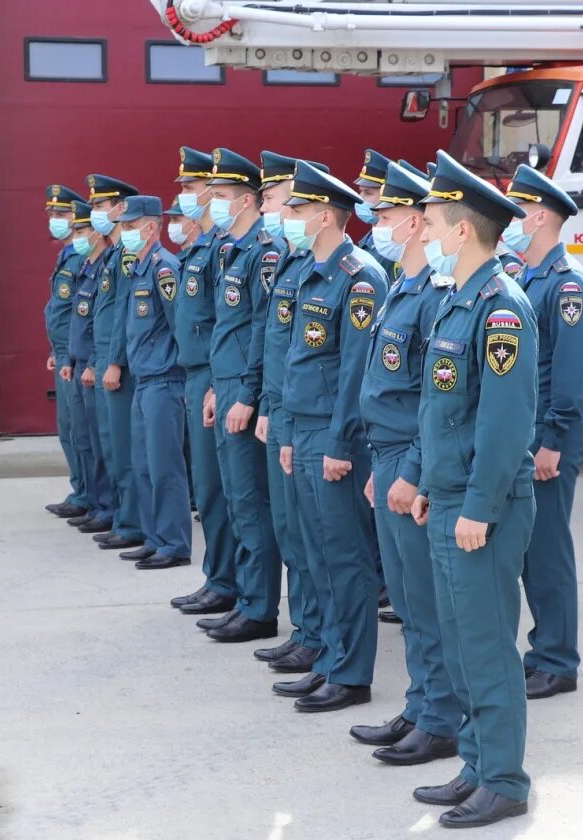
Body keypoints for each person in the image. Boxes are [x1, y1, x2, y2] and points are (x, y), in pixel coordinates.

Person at [410, 150, 535, 828]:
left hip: (483, 505)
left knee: (486, 646)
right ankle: (478, 766)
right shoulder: (457, 302)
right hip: (450, 496)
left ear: (463, 231)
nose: (423, 232)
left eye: (430, 221)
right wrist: (433, 484)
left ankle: (506, 780)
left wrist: (481, 506)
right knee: (461, 643)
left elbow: (504, 421)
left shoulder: (501, 308)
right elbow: (442, 411)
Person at [350, 161, 461, 766]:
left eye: (388, 215)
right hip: (387, 454)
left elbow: (432, 399)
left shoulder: (434, 298)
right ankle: (421, 703)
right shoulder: (402, 285)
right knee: (406, 597)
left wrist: (413, 468)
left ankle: (441, 716)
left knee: (424, 596)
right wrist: (382, 463)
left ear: (418, 222)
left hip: (410, 460)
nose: (377, 223)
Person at [272, 161, 388, 713]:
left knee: (345, 556)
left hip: (336, 433)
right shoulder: (305, 270)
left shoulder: (359, 277)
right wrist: (291, 431)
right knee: (316, 552)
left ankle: (352, 672)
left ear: (323, 215)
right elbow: (298, 360)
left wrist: (341, 443)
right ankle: (328, 658)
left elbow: (354, 372)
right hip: (305, 425)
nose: (287, 218)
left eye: (295, 210)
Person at [500, 165, 583, 700]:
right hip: (529, 431)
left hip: (548, 435)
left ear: (538, 215)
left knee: (547, 549)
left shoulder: (567, 286)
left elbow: (570, 375)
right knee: (530, 549)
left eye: (517, 209)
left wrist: (553, 442)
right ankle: (543, 651)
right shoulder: (527, 277)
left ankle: (558, 660)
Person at [249, 151, 330, 674]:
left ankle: (323, 637)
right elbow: (275, 345)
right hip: (285, 411)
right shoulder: (292, 263)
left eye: (279, 203)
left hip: (316, 421)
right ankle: (306, 628)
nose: (274, 212)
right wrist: (267, 404)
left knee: (321, 541)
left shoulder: (347, 274)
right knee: (292, 530)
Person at [199, 148, 283, 643]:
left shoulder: (264, 252)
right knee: (234, 496)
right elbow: (225, 329)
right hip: (226, 381)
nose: (216, 205)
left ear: (249, 200)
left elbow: (260, 329)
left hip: (243, 388)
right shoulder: (231, 249)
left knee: (251, 500)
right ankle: (247, 597)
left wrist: (247, 394)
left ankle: (259, 605)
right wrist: (217, 385)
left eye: (224, 197)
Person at [164, 148, 242, 614]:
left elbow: (224, 324)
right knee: (210, 488)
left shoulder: (223, 251)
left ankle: (229, 582)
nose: (187, 199)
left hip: (216, 377)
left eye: (193, 190)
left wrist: (217, 381)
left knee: (222, 490)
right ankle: (218, 575)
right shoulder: (202, 249)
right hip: (199, 375)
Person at [117, 195, 193, 570]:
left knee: (166, 467)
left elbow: (179, 326)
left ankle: (174, 543)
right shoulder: (140, 269)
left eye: (130, 227)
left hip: (165, 381)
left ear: (149, 227)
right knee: (144, 465)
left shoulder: (165, 269)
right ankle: (154, 537)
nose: (124, 233)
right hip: (144, 381)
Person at [84, 174, 147, 552]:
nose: (96, 214)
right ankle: (123, 517)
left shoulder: (126, 256)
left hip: (119, 365)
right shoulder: (112, 254)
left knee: (125, 450)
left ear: (121, 207)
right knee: (111, 446)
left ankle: (132, 521)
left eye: (101, 206)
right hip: (106, 357)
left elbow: (127, 314)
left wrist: (116, 361)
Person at [59, 200, 114, 533]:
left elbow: (104, 323)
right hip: (78, 362)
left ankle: (106, 505)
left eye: (81, 229)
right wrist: (69, 357)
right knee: (82, 437)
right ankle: (94, 499)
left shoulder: (106, 266)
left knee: (101, 442)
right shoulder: (86, 266)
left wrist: (93, 362)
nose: (76, 235)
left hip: (95, 366)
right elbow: (75, 320)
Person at [42, 185, 91, 521]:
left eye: (62, 215)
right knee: (69, 429)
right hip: (63, 353)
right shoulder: (66, 255)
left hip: (75, 356)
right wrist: (54, 348)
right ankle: (81, 490)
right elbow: (60, 309)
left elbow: (80, 312)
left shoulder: (80, 256)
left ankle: (89, 494)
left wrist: (70, 353)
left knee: (81, 430)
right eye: (52, 215)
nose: (55, 221)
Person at [353, 148, 398, 280]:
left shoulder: (392, 245)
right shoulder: (367, 240)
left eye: (368, 193)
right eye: (360, 191)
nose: (360, 198)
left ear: (386, 196)